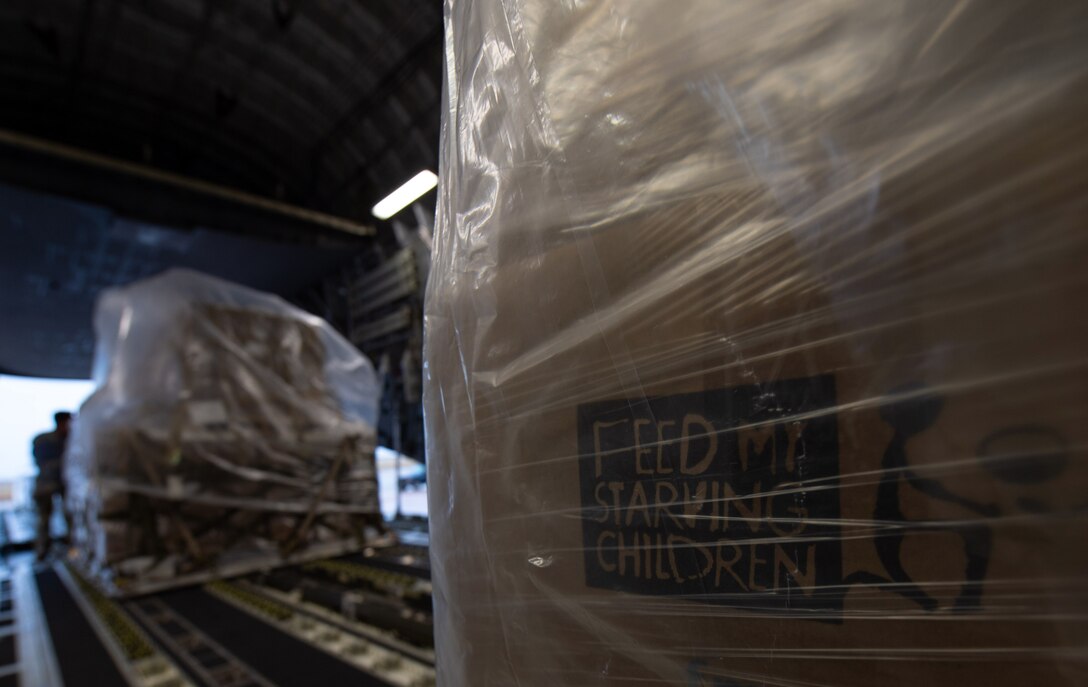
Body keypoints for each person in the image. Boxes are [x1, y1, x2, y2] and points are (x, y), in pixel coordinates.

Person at [32, 411, 72, 561]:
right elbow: (40, 463)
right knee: (43, 519)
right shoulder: (43, 440)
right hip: (46, 483)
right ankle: (42, 550)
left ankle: (73, 547)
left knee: (70, 515)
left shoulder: (69, 440)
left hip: (63, 483)